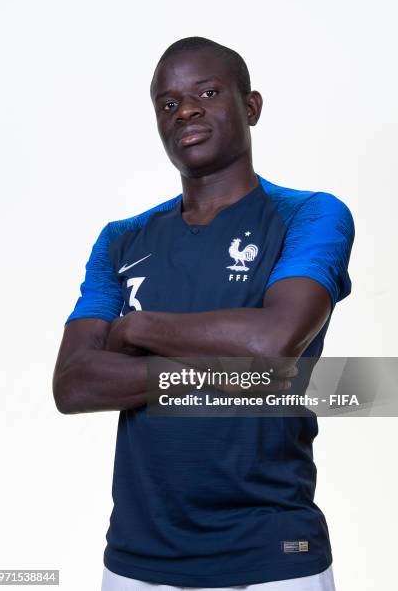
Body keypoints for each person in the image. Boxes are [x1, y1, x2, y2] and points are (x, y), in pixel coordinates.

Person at [53, 37, 354, 591]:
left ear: (251, 107)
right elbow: (72, 385)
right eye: (167, 104)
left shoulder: (309, 215)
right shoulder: (122, 240)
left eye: (207, 93)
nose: (185, 110)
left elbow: (273, 343)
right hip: (138, 558)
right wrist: (226, 373)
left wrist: (138, 329)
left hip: (274, 553)